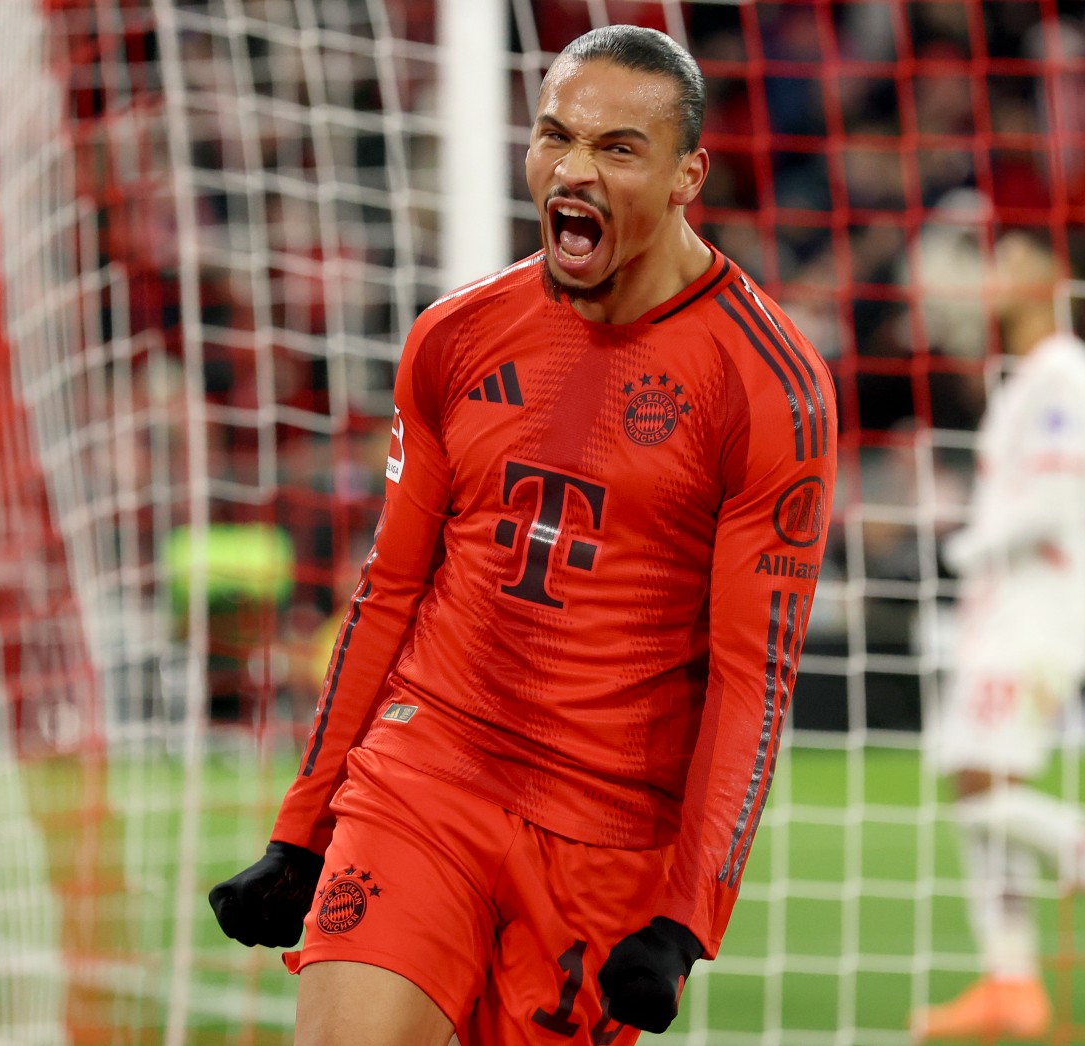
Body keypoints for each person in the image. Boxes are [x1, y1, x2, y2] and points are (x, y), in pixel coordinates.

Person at [208, 24, 837, 1046]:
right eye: (555, 135)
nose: (573, 167)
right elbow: (390, 590)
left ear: (689, 175)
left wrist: (686, 918)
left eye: (618, 148)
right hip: (428, 770)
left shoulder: (768, 384)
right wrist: (301, 826)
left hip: (604, 832)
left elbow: (750, 678)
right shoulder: (454, 335)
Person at [912, 231, 1085, 1042]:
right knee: (974, 785)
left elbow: (1057, 504)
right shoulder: (1026, 379)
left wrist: (969, 545)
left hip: (1038, 610)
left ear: (1055, 277)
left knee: (983, 786)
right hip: (1004, 610)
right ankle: (1012, 980)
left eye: (1014, 260)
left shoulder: (1067, 376)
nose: (997, 276)